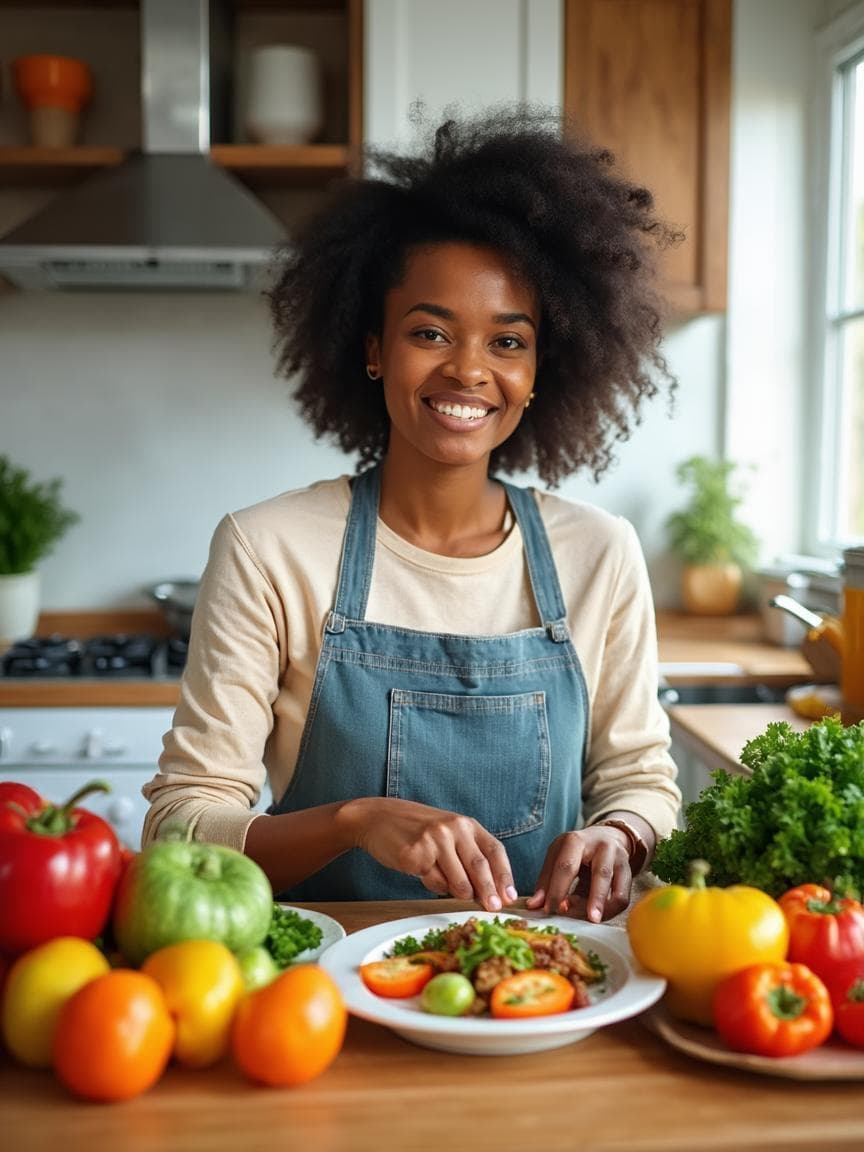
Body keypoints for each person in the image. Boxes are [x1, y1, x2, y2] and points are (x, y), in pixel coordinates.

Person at [142, 106, 682, 923]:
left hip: (544, 986)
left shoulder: (599, 553)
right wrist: (356, 822)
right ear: (372, 348)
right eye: (431, 331)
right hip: (322, 993)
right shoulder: (270, 548)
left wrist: (623, 834)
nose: (468, 369)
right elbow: (179, 823)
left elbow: (641, 780)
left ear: (541, 368)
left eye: (508, 342)